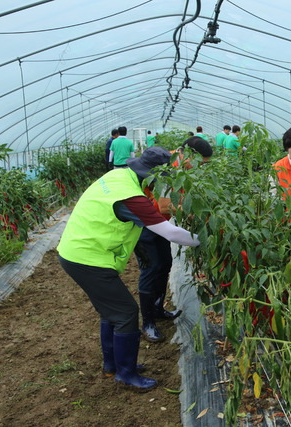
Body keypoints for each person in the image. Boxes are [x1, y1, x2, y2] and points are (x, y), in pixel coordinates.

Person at [57, 146, 201, 390]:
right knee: (126, 313)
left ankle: (113, 365)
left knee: (112, 312)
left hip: (79, 252)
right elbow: (171, 232)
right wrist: (206, 239)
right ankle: (126, 374)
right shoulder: (131, 197)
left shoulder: (118, 177)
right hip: (88, 259)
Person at [136, 137, 212, 342]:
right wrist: (194, 213)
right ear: (188, 155)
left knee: (164, 264)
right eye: (200, 163)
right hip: (143, 224)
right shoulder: (165, 167)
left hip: (160, 224)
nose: (200, 168)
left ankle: (158, 309)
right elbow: (164, 205)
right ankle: (148, 323)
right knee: (151, 269)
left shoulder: (182, 166)